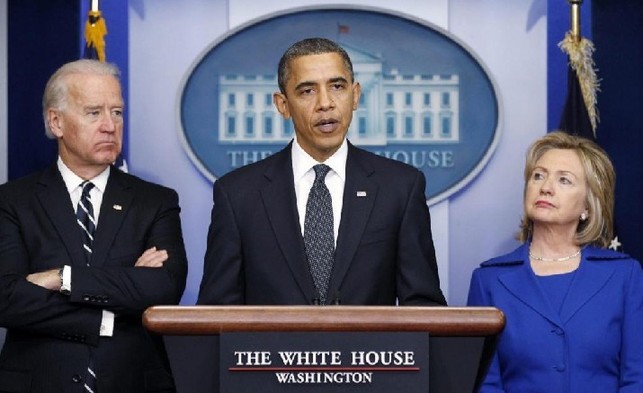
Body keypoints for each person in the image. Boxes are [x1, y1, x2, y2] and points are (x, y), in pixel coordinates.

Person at [197, 37, 446, 306]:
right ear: (283, 105)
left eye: (337, 87)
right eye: (307, 91)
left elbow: (424, 307)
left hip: (368, 349)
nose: (325, 103)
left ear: (355, 95)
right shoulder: (237, 194)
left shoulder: (400, 187)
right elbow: (216, 313)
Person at [0, 59, 188, 393]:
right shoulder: (13, 200)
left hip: (133, 381)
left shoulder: (155, 201)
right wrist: (111, 308)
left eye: (117, 112)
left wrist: (62, 277)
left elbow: (163, 286)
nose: (110, 125)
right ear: (56, 122)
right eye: (93, 112)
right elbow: (7, 299)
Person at [467, 131, 642, 392]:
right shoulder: (489, 280)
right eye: (538, 175)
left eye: (564, 180)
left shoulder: (623, 276)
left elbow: (636, 378)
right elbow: (484, 383)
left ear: (587, 206)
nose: (546, 187)